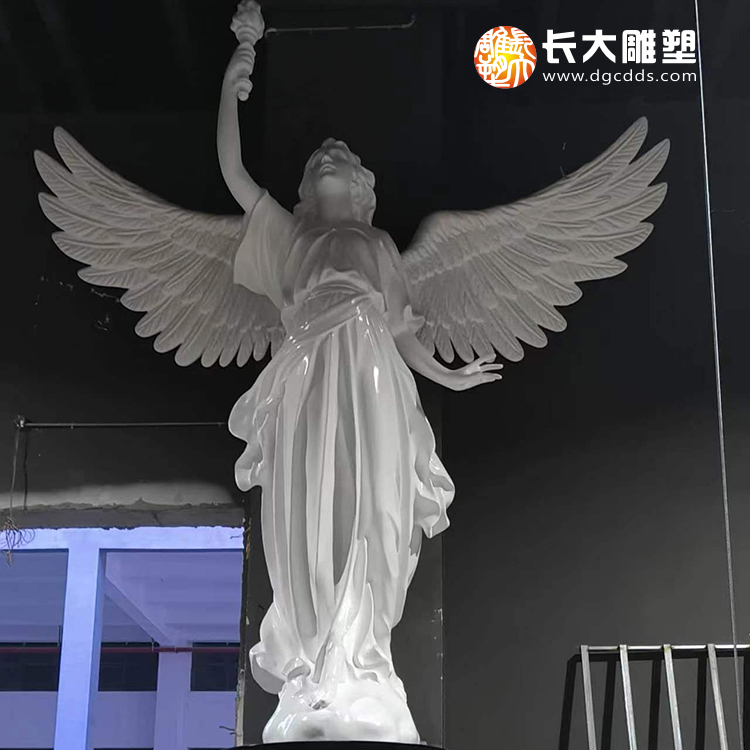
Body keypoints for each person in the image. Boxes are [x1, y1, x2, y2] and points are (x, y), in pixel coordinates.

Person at [218, 24, 501, 744]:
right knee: (306, 502)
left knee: (373, 498)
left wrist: (446, 374)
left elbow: (402, 330)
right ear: (308, 189)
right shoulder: (291, 236)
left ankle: (364, 661)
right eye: (319, 159)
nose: (328, 157)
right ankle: (315, 665)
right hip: (306, 371)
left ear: (362, 188)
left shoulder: (377, 245)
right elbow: (233, 172)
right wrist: (235, 75)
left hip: (372, 370)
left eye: (340, 158)